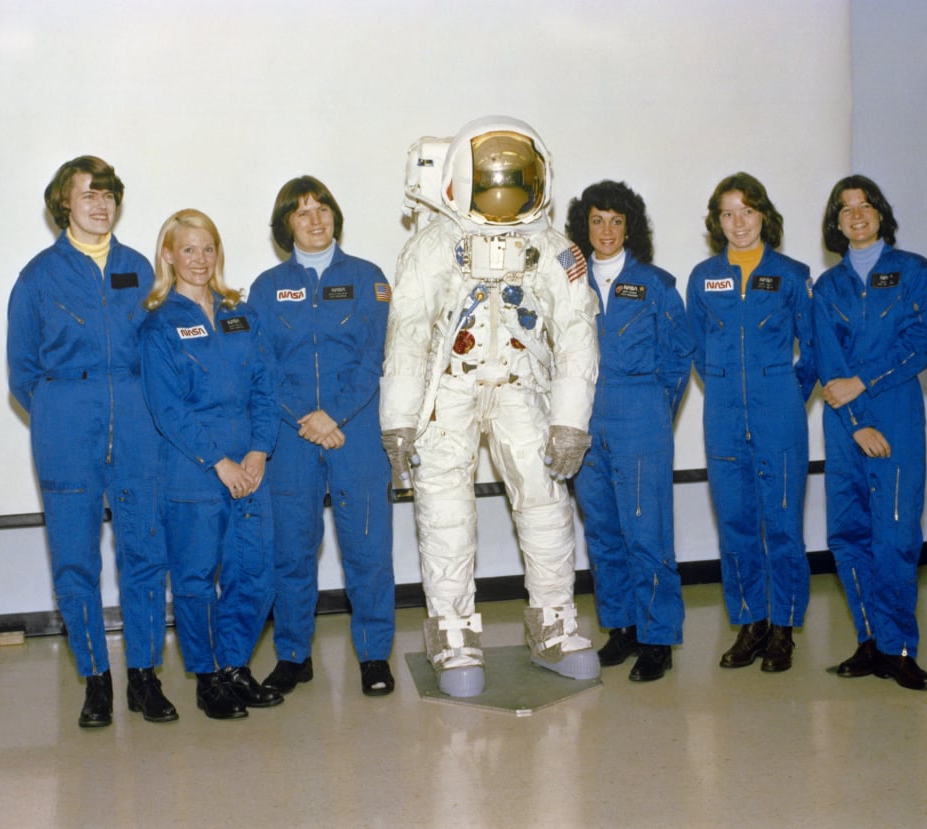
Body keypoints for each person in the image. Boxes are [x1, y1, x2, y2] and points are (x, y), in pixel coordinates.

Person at [381, 116, 601, 697]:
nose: (502, 191)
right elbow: (406, 333)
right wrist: (399, 421)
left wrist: (570, 423)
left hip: (521, 389)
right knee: (446, 513)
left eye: (514, 178)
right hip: (446, 394)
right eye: (491, 179)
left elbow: (577, 334)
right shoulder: (432, 245)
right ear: (459, 177)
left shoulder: (553, 249)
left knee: (545, 504)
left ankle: (553, 623)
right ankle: (452, 631)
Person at [7, 155, 176, 727]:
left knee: (145, 557)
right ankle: (96, 680)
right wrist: (64, 411)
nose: (101, 205)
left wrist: (135, 409)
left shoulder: (140, 269)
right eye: (88, 195)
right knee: (75, 562)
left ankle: (145, 678)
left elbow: (163, 353)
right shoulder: (37, 277)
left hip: (138, 431)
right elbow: (22, 373)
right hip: (67, 435)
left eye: (108, 195)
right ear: (64, 203)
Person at [249, 176, 396, 697]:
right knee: (290, 552)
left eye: (323, 209)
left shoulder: (368, 278)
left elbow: (375, 357)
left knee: (368, 548)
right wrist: (303, 418)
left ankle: (374, 655)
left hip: (354, 430)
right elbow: (261, 366)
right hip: (291, 438)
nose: (315, 220)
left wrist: (331, 414)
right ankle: (293, 655)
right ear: (285, 223)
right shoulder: (266, 289)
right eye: (302, 212)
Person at [140, 209, 283, 719]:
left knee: (254, 572)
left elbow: (267, 387)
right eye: (188, 249)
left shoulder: (240, 313)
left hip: (250, 467)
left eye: (208, 249)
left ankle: (235, 665)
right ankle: (208, 677)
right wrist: (218, 461)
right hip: (194, 472)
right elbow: (168, 410)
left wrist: (258, 449)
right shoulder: (159, 326)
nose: (199, 260)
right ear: (169, 255)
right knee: (197, 579)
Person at [686, 172, 816, 673]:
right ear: (716, 221)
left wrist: (786, 392)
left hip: (779, 413)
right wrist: (723, 386)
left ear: (764, 215)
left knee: (782, 525)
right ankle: (751, 623)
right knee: (736, 525)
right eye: (727, 213)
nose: (738, 223)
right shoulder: (703, 278)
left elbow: (814, 349)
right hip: (722, 415)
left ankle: (783, 627)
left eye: (747, 211)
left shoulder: (791, 274)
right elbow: (698, 347)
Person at [814, 175, 927, 691]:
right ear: (836, 224)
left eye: (865, 206)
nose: (857, 215)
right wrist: (855, 421)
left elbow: (921, 342)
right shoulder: (827, 287)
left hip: (896, 415)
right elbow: (826, 360)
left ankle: (898, 649)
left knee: (895, 536)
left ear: (881, 214)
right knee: (849, 535)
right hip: (845, 424)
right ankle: (868, 641)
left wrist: (864, 383)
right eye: (846, 210)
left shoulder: (913, 272)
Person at [564, 180, 692, 682]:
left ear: (630, 227)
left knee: (646, 532)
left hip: (640, 413)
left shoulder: (656, 284)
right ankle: (622, 628)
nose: (607, 231)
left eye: (617, 221)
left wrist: (656, 409)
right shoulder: (568, 280)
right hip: (584, 416)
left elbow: (679, 355)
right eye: (597, 220)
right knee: (603, 531)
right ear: (584, 226)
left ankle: (658, 638)